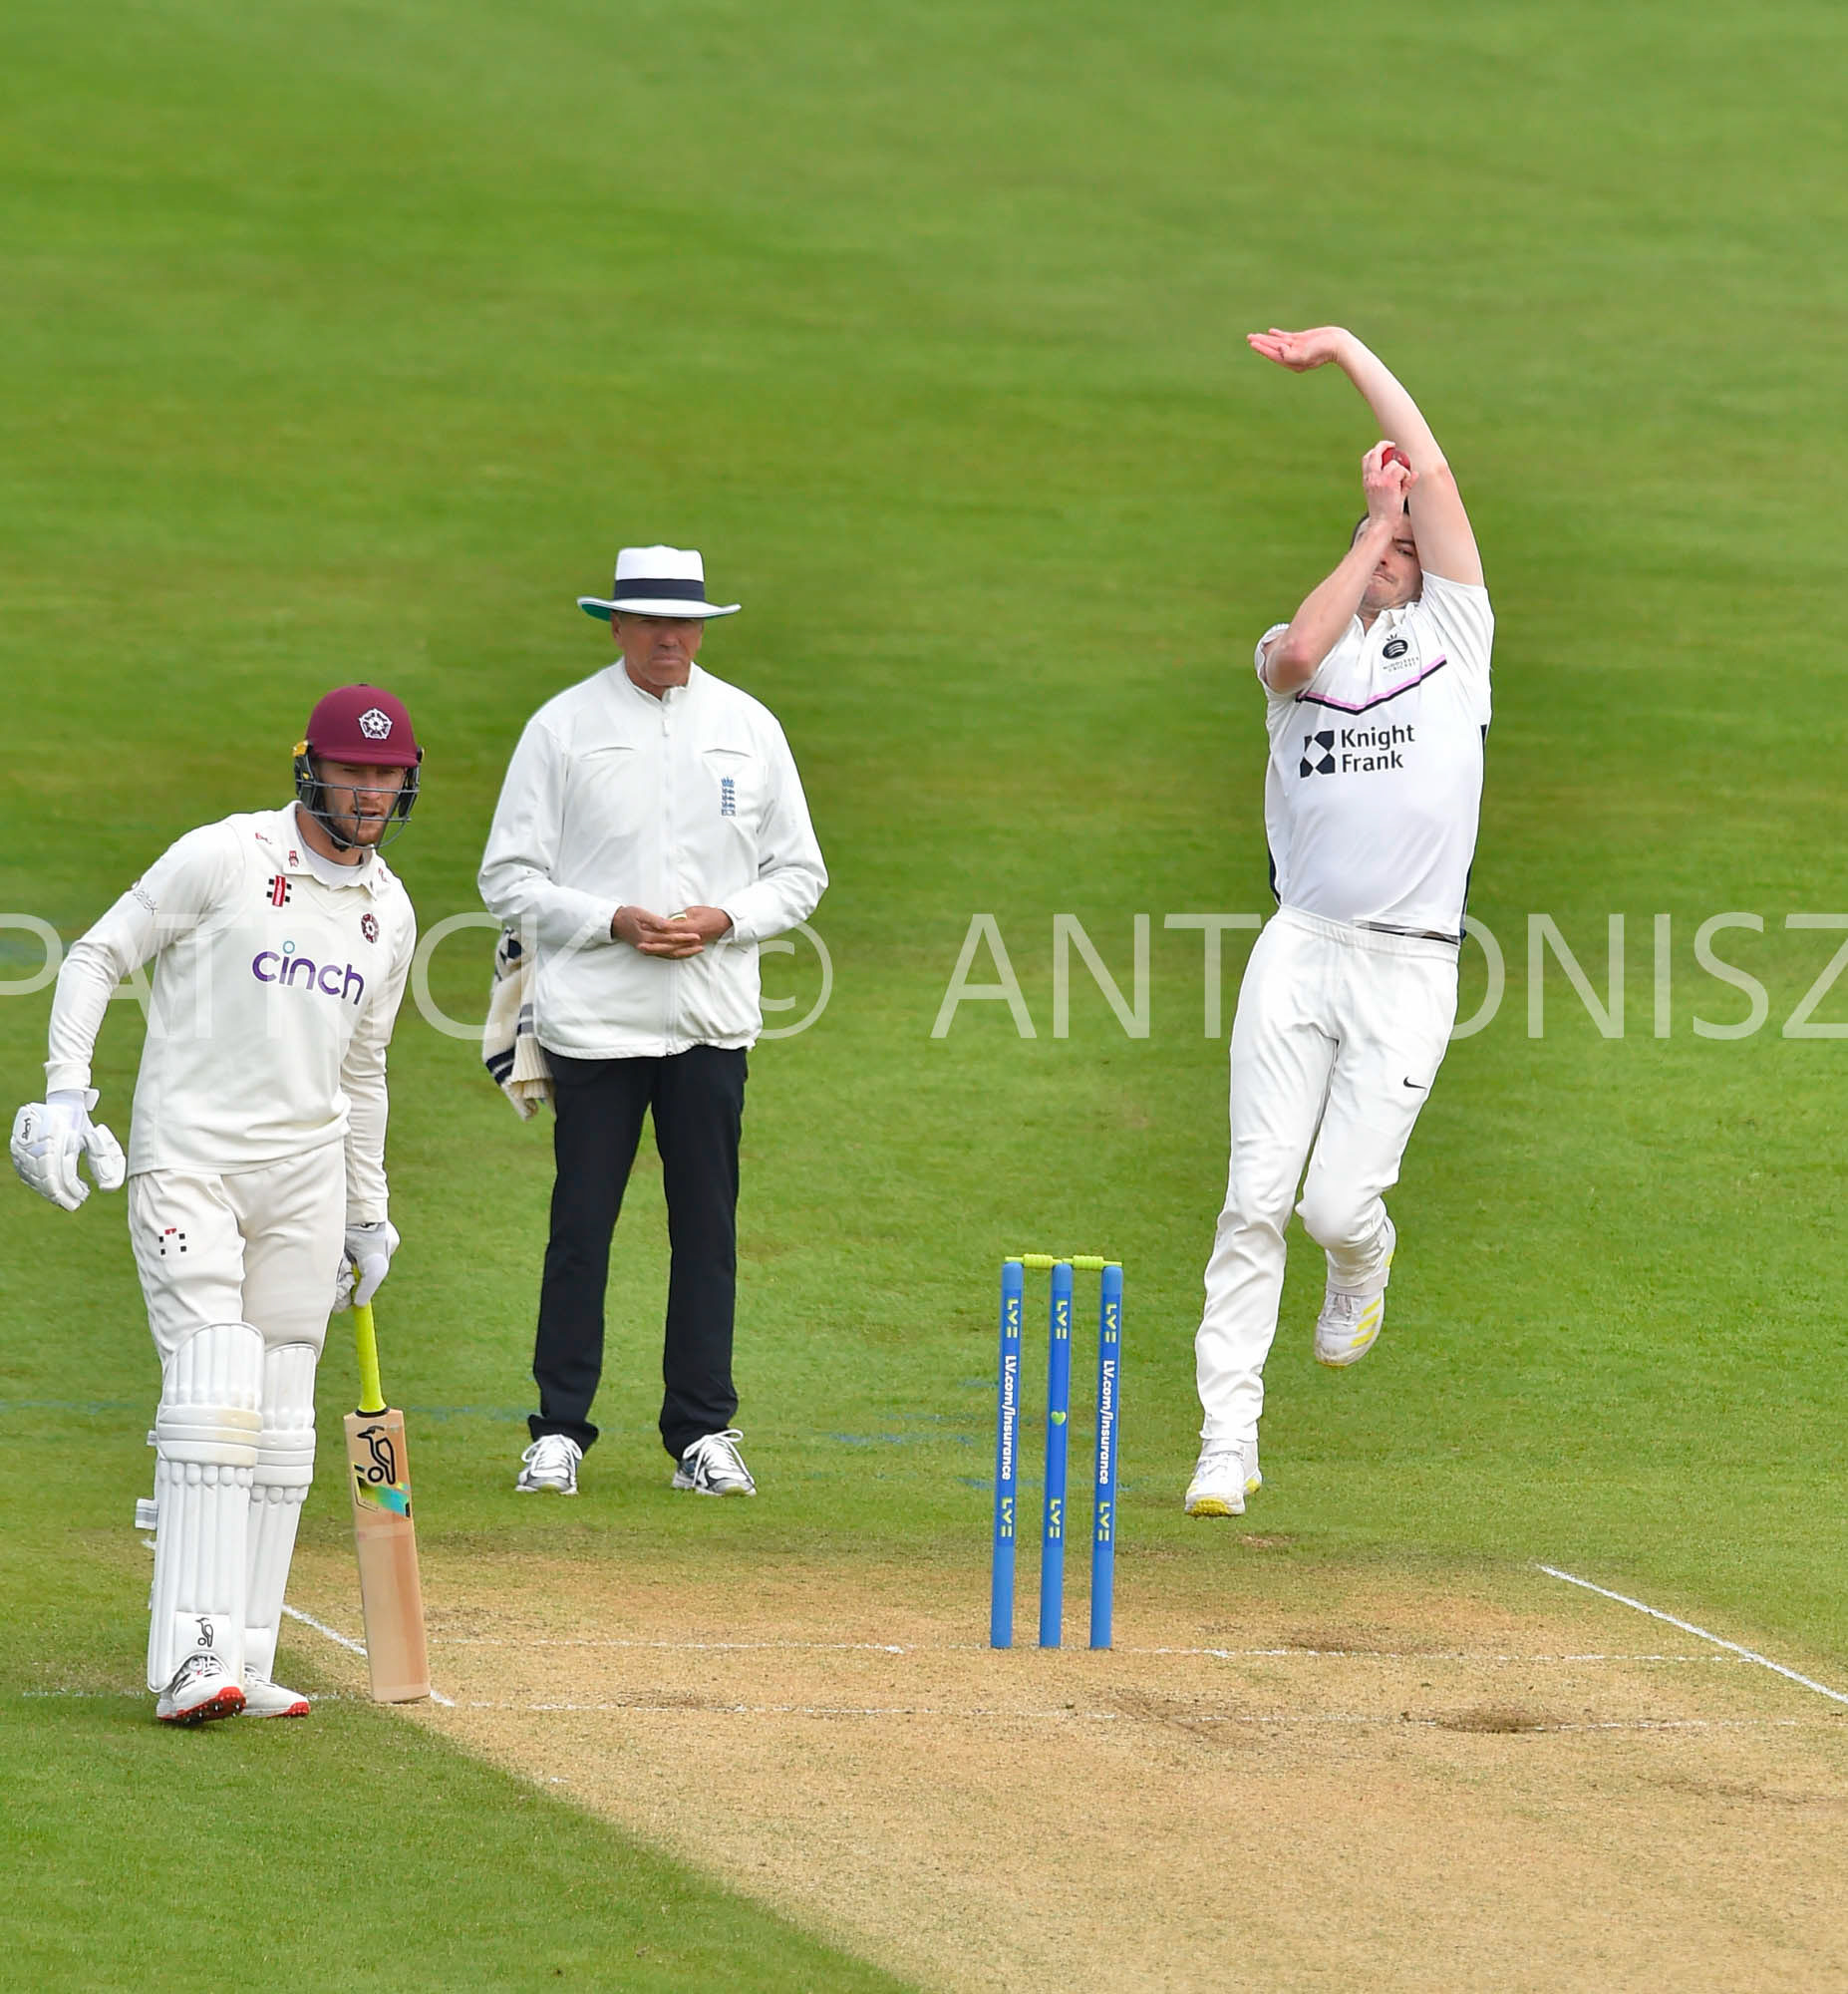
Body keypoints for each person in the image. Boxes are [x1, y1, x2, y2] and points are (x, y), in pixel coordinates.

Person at [10, 688, 422, 1721]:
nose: (370, 791)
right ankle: (190, 1656)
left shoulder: (391, 910)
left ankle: (248, 1647)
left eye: (386, 774)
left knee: (282, 1417)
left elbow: (364, 1071)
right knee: (213, 1391)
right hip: (189, 1158)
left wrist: (368, 1212)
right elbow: (99, 954)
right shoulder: (226, 856)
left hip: (307, 1179)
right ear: (310, 768)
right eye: (352, 770)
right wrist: (66, 1095)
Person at [1185, 326, 1492, 1517]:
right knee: (1252, 1196)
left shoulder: (1458, 644)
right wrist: (1369, 527)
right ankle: (1226, 1442)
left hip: (1408, 963)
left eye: (1416, 543)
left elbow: (1442, 477)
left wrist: (1350, 351)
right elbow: (1301, 647)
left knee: (1327, 1206)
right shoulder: (1297, 647)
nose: (1405, 552)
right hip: (1300, 946)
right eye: (1388, 543)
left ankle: (1361, 1256)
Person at [479, 544, 827, 1499]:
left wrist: (726, 919)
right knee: (581, 1227)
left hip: (712, 1023)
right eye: (653, 622)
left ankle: (702, 1434)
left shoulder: (748, 727)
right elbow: (506, 878)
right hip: (595, 1024)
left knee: (706, 1229)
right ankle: (558, 1431)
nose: (673, 638)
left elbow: (800, 873)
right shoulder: (563, 728)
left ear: (703, 628)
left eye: (689, 622)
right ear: (617, 626)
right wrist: (610, 921)